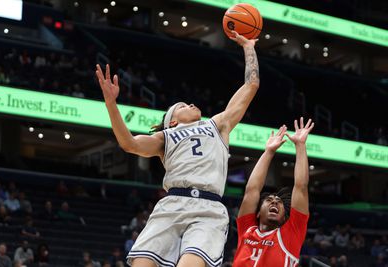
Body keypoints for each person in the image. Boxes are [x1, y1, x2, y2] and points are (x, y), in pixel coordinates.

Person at [96, 30, 260, 267]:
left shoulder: (218, 124)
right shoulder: (166, 136)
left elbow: (251, 84)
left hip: (208, 207)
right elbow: (128, 144)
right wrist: (111, 104)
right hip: (172, 203)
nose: (191, 104)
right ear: (173, 120)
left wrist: (248, 47)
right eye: (183, 105)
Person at [233, 118, 314, 267]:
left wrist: (300, 146)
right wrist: (268, 152)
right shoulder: (247, 229)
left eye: (279, 202)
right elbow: (252, 190)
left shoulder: (290, 235)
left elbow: (301, 187)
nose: (275, 202)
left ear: (284, 218)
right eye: (269, 200)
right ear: (257, 213)